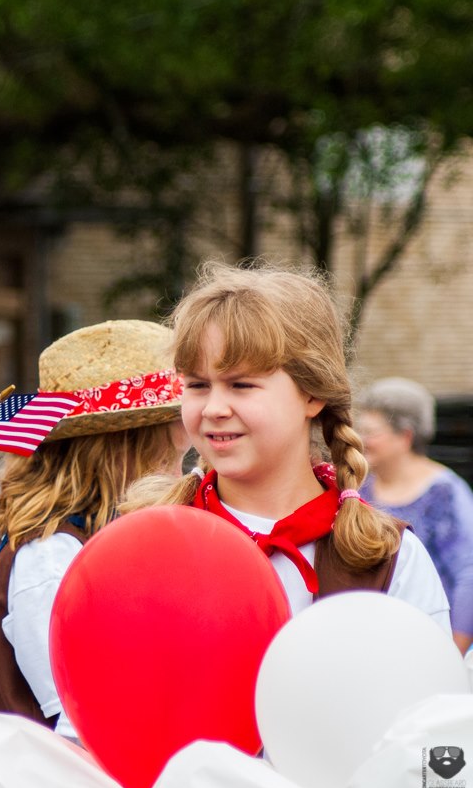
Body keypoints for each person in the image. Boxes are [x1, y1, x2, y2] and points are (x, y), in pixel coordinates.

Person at [121, 261, 450, 631]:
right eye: (197, 385)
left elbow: (423, 685)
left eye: (241, 385)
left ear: (311, 394)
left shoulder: (389, 559)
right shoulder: (144, 540)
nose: (214, 408)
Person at [0, 320, 187, 736]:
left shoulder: (117, 539)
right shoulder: (53, 557)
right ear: (127, 447)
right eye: (171, 462)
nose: (183, 477)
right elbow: (78, 721)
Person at [356, 377, 473, 652]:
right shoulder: (359, 488)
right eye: (359, 430)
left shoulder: (445, 493)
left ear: (405, 436)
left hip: (428, 645)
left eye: (371, 432)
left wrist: (452, 651)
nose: (361, 440)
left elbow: (469, 574)